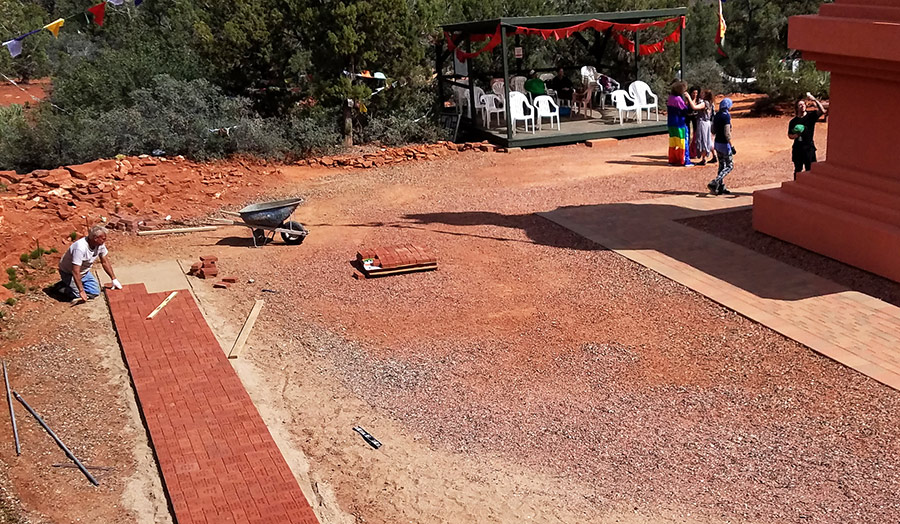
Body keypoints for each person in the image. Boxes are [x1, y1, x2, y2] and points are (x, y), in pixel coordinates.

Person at [58, 226, 121, 303]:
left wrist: (113, 279)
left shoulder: (100, 245)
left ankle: (71, 284)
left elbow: (104, 262)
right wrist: (81, 291)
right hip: (69, 273)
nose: (105, 240)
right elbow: (75, 271)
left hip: (84, 272)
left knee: (95, 292)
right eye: (103, 238)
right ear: (95, 238)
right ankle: (60, 287)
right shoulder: (80, 248)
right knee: (79, 295)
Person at [788, 92, 827, 178]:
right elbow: (790, 135)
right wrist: (796, 135)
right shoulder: (793, 121)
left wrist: (814, 100)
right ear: (797, 108)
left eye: (803, 104)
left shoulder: (811, 116)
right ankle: (797, 187)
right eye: (800, 105)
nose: (802, 106)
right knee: (798, 170)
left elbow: (822, 111)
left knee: (810, 170)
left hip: (809, 148)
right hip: (798, 148)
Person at [667, 81, 705, 166]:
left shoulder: (670, 97)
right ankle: (685, 160)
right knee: (683, 141)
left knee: (673, 142)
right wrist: (689, 100)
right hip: (680, 124)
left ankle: (673, 160)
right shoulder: (678, 99)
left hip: (671, 123)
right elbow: (686, 110)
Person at [709, 98, 736, 195]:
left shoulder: (716, 115)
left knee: (721, 165)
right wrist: (731, 146)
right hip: (724, 145)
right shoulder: (726, 116)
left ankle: (720, 187)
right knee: (730, 165)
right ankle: (715, 181)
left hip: (717, 144)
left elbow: (713, 130)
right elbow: (727, 133)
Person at [695, 90, 716, 166]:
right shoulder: (711, 103)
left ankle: (703, 159)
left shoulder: (704, 103)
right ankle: (714, 156)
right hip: (709, 123)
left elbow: (694, 107)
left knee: (703, 140)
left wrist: (689, 98)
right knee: (708, 140)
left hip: (703, 123)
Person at [686, 87, 700, 159]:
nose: (695, 94)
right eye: (693, 93)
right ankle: (688, 152)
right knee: (689, 136)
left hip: (696, 120)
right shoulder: (687, 100)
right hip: (688, 120)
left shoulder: (699, 101)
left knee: (695, 136)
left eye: (696, 93)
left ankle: (694, 152)